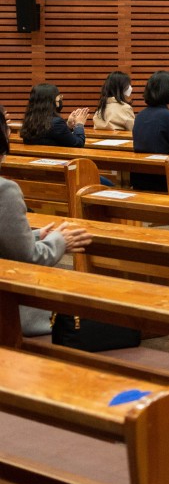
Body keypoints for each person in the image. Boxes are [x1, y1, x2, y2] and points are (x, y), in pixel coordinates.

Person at [0, 106, 92, 336]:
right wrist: (59, 241)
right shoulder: (5, 191)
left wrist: (32, 236)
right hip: (10, 314)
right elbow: (29, 257)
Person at [19, 83, 88, 147]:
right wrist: (79, 124)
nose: (61, 99)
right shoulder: (57, 122)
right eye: (59, 97)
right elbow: (78, 144)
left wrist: (68, 126)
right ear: (51, 101)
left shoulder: (30, 120)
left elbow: (51, 137)